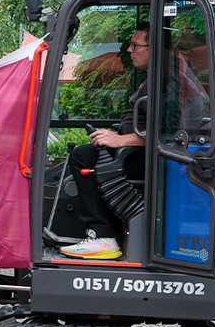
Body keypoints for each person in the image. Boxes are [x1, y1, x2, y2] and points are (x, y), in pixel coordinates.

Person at [60, 23, 150, 260]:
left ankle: (102, 236)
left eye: (134, 45)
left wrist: (120, 140)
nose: (129, 50)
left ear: (153, 48)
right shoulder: (152, 79)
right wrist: (113, 136)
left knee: (82, 156)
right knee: (88, 152)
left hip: (143, 159)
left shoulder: (165, 84)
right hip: (132, 152)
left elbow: (166, 135)